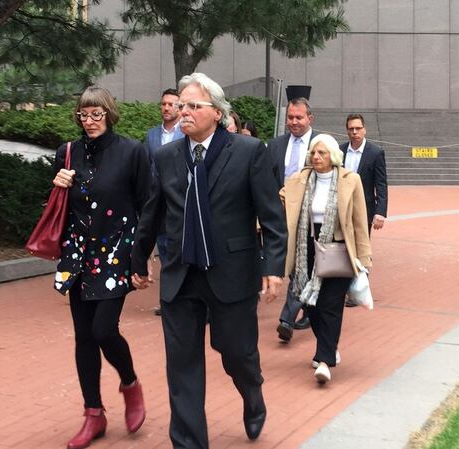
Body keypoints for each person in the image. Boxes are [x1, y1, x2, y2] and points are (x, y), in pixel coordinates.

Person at [131, 72, 287, 449]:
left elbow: (271, 216)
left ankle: (252, 393)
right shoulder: (167, 156)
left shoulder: (249, 152)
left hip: (230, 273)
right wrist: (137, 260)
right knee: (182, 367)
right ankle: (188, 442)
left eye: (192, 106)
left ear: (216, 112)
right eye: (180, 105)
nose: (183, 112)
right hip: (181, 276)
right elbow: (153, 213)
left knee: (236, 354)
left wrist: (273, 268)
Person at [52, 85, 150, 449]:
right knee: (83, 336)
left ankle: (130, 384)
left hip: (115, 254)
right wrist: (57, 185)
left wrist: (141, 259)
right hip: (77, 253)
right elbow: (55, 208)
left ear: (109, 114)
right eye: (83, 114)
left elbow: (147, 206)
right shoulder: (67, 153)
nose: (89, 121)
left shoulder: (131, 152)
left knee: (104, 330)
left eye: (96, 114)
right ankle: (93, 414)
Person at [279, 133, 372, 384]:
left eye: (322, 153)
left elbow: (359, 222)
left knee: (331, 304)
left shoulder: (350, 180)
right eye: (313, 153)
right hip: (305, 249)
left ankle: (324, 361)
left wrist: (364, 257)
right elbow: (282, 201)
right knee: (311, 305)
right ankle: (329, 347)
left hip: (337, 248)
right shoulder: (299, 180)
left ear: (334, 156)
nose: (316, 157)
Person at [267, 97, 315, 340]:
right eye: (290, 117)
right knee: (289, 260)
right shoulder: (275, 145)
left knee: (300, 263)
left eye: (299, 117)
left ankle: (287, 318)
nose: (294, 122)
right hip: (279, 213)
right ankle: (308, 307)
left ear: (310, 119)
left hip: (309, 216)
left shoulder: (321, 145)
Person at [340, 113, 387, 307]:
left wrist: (380, 212)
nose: (354, 132)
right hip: (342, 210)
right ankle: (343, 287)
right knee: (342, 248)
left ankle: (358, 289)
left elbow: (381, 184)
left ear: (364, 129)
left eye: (358, 128)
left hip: (364, 211)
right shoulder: (340, 150)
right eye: (351, 129)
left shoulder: (375, 153)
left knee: (361, 249)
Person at [145, 88, 185, 316]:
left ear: (180, 107)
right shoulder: (151, 135)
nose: (167, 108)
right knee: (165, 251)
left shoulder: (187, 133)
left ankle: (182, 297)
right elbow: (147, 166)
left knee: (179, 251)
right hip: (159, 202)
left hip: (179, 201)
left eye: (171, 104)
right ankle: (168, 299)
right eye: (164, 104)